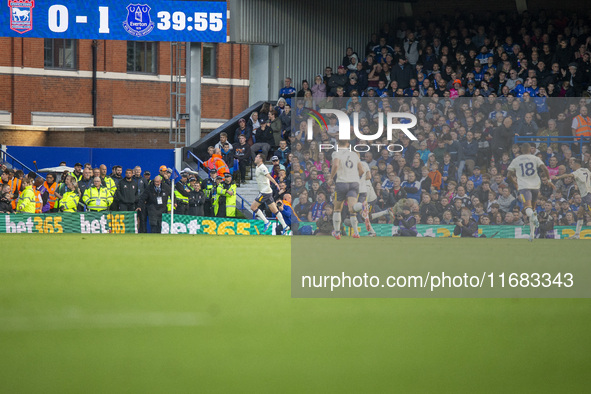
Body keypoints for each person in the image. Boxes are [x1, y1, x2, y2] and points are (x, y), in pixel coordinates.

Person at [507, 143, 550, 241]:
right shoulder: (535, 158)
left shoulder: (516, 160)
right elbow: (544, 168)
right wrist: (549, 180)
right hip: (535, 186)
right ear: (530, 149)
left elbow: (509, 174)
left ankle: (533, 217)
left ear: (521, 150)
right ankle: (532, 235)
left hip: (524, 187)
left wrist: (515, 182)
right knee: (533, 209)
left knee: (527, 208)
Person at [330, 140, 364, 239]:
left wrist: (331, 178)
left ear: (337, 144)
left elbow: (336, 165)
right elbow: (361, 170)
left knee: (337, 209)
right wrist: (355, 177)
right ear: (348, 144)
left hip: (341, 182)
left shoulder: (336, 153)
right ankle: (356, 232)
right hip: (354, 183)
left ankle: (337, 233)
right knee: (352, 209)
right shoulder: (354, 154)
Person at [250, 153, 290, 234]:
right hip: (267, 191)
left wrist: (275, 183)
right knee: (275, 210)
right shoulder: (258, 167)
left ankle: (266, 222)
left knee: (253, 207)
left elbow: (268, 176)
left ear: (261, 159)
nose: (255, 158)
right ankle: (285, 225)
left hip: (265, 192)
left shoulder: (262, 167)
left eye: (257, 157)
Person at [552, 158, 591, 239]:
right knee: (580, 213)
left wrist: (557, 177)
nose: (571, 165)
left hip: (586, 196)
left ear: (577, 165)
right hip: (586, 195)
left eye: (572, 164)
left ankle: (577, 234)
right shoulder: (586, 170)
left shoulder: (577, 172)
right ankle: (577, 234)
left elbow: (569, 175)